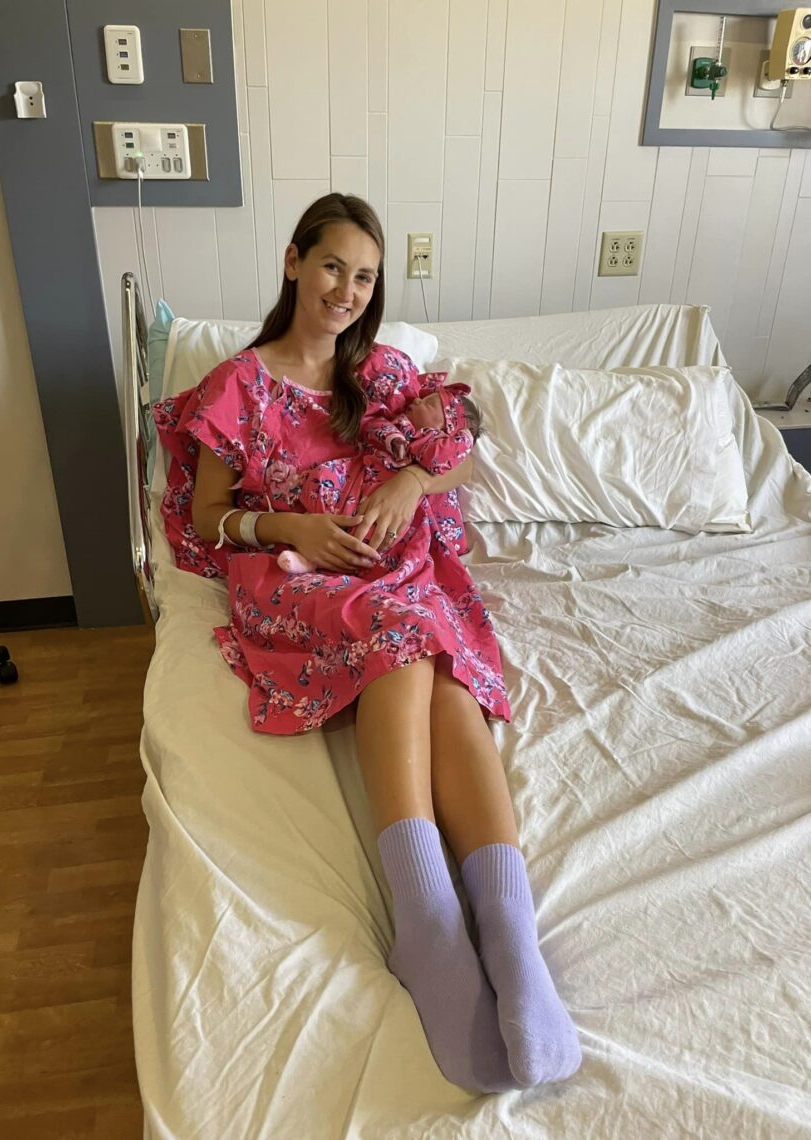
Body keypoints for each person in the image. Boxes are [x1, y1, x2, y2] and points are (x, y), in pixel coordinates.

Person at [154, 193, 581, 1094]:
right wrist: (293, 530)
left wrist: (410, 482)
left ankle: (505, 928)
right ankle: (423, 908)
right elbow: (203, 516)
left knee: (446, 672)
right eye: (333, 267)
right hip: (295, 577)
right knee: (407, 629)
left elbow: (463, 454)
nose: (347, 289)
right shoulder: (239, 384)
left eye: (365, 275)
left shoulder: (381, 374)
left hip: (392, 567)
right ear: (292, 263)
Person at [276, 378, 481, 574]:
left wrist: (465, 435)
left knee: (379, 528)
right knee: (321, 481)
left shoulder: (441, 445)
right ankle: (311, 556)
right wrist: (392, 438)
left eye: (429, 403)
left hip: (405, 505)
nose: (417, 399)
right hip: (363, 482)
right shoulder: (399, 423)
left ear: (448, 425)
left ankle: (321, 561)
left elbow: (443, 459)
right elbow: (374, 427)